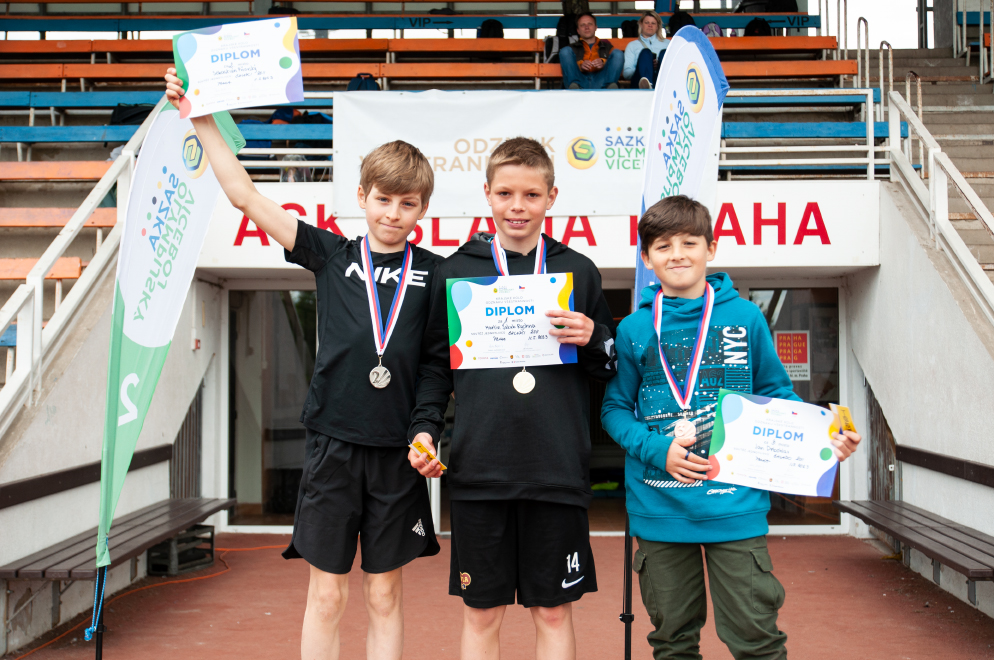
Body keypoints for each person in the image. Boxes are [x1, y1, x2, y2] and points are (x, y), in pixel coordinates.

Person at [164, 69, 442, 660]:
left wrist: (427, 432)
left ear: (423, 207)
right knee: (326, 596)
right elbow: (244, 194)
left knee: (385, 595)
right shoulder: (330, 253)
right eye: (383, 199)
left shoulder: (436, 274)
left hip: (397, 455)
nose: (393, 213)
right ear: (362, 197)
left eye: (407, 203)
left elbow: (436, 370)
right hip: (332, 449)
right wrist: (199, 116)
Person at [601, 195, 862, 660]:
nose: (677, 254)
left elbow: (776, 393)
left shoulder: (744, 317)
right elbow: (614, 409)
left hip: (735, 502)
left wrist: (822, 435)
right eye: (663, 246)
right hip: (659, 506)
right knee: (672, 643)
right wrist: (657, 450)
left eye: (689, 242)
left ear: (711, 248)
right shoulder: (634, 329)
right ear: (646, 257)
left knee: (756, 638)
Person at [407, 138, 617, 660]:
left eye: (531, 194)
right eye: (505, 193)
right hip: (481, 471)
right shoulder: (455, 271)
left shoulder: (579, 270)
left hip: (556, 469)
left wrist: (594, 337)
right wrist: (425, 428)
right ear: (487, 194)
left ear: (551, 197)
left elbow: (607, 368)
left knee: (553, 611)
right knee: (482, 613)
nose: (517, 206)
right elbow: (435, 369)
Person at [559, 13, 624, 89]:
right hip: (579, 81)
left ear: (596, 27)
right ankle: (575, 88)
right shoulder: (571, 49)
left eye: (590, 24)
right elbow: (568, 65)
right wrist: (580, 65)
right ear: (578, 30)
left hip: (602, 81)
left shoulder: (607, 46)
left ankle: (608, 87)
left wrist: (603, 62)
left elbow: (615, 63)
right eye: (582, 25)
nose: (587, 27)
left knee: (618, 53)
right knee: (564, 51)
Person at [623, 11, 669, 90]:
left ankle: (664, 86)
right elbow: (627, 74)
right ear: (641, 24)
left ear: (657, 26)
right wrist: (643, 65)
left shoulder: (668, 44)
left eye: (653, 23)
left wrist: (658, 65)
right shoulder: (632, 45)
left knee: (664, 53)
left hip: (661, 79)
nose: (650, 25)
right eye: (647, 22)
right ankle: (647, 84)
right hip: (639, 81)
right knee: (645, 53)